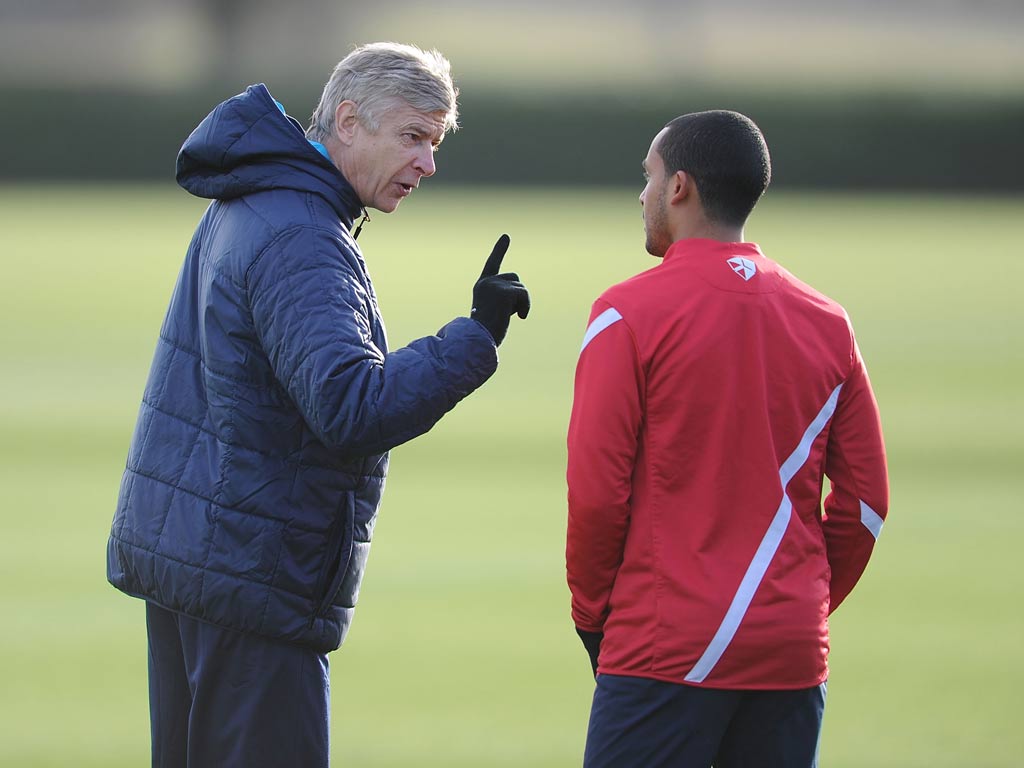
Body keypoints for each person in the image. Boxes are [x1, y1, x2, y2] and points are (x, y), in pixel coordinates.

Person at [107, 42, 530, 767]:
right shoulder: (301, 233)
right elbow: (351, 406)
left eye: (435, 142)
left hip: (205, 567)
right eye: (413, 137)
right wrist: (476, 336)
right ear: (347, 119)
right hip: (251, 583)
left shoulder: (259, 200)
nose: (428, 163)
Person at [565, 110, 888, 767]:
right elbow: (864, 507)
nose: (642, 194)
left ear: (678, 188)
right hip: (792, 652)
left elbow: (597, 494)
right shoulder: (829, 322)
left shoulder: (625, 313)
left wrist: (595, 619)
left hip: (663, 645)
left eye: (648, 176)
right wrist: (798, 605)